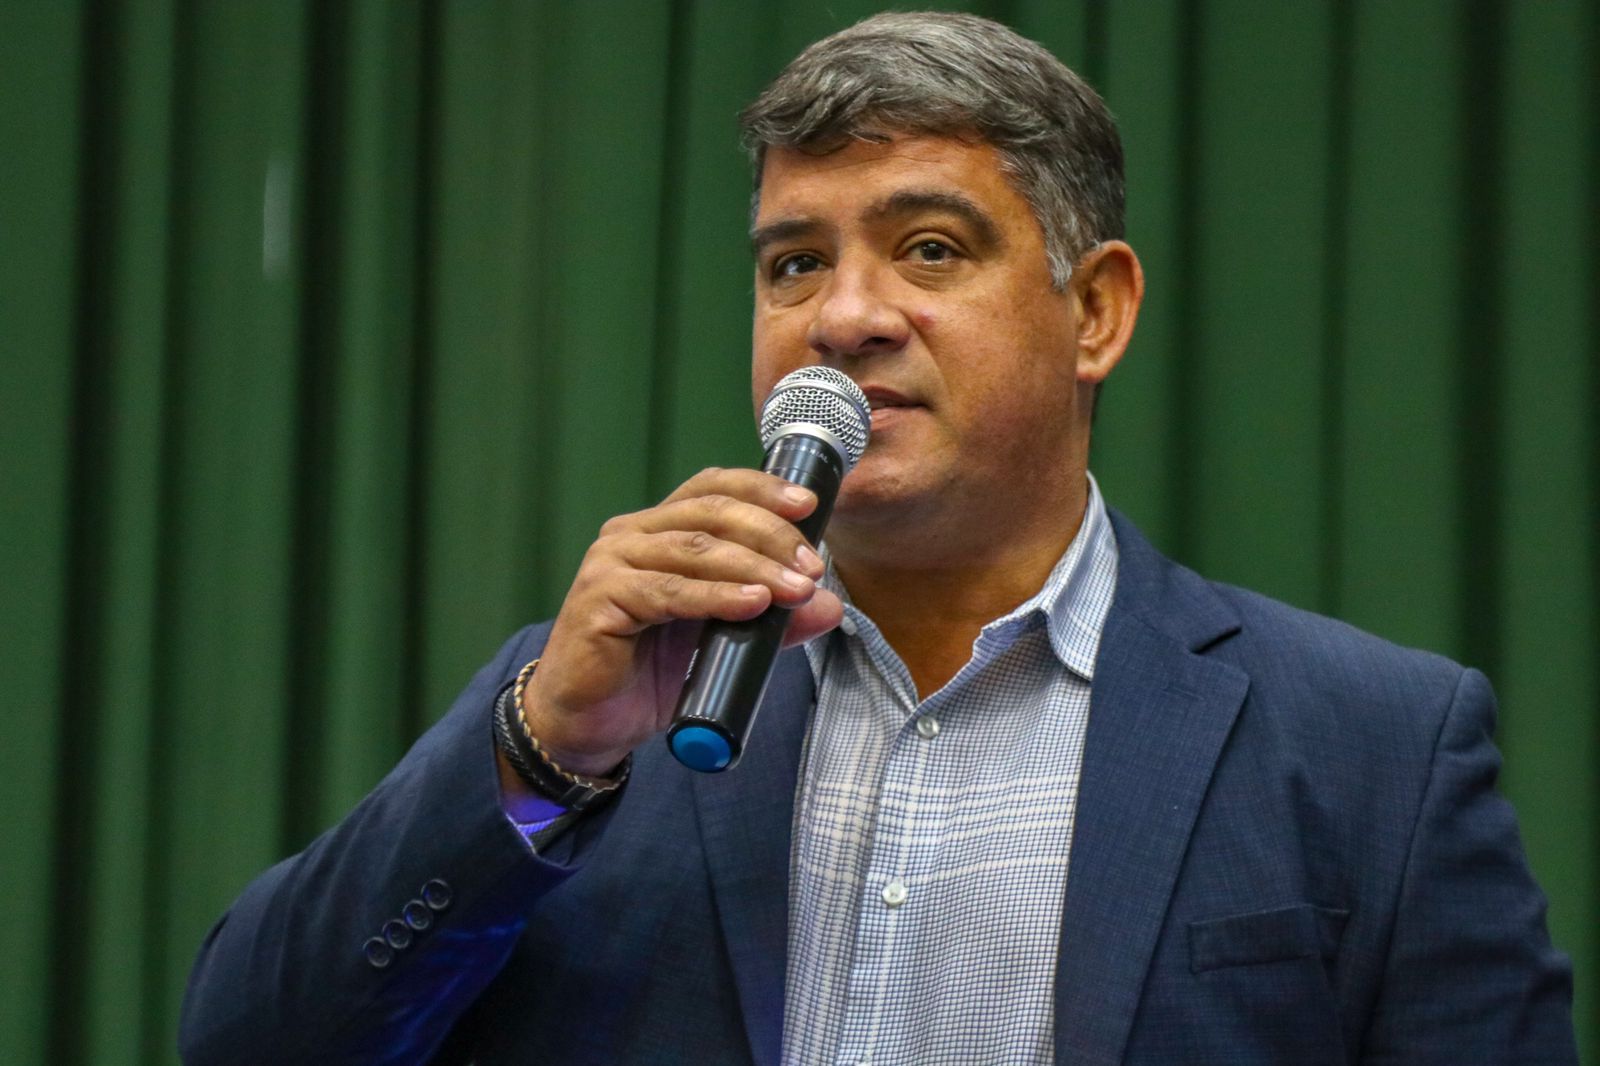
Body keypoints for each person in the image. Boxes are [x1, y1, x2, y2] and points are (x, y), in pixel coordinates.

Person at [179, 12, 1577, 1065]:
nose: (844, 318)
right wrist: (545, 754)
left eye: (929, 250)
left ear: (1095, 311)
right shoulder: (595, 713)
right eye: (795, 264)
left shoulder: (1376, 746)